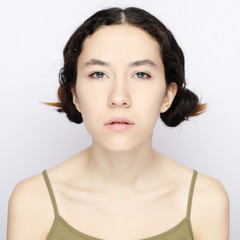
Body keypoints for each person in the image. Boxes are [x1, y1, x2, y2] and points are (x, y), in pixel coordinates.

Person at [7, 7, 229, 240]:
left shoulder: (206, 200)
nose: (119, 97)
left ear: (167, 96)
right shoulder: (32, 200)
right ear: (75, 95)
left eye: (141, 74)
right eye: (98, 74)